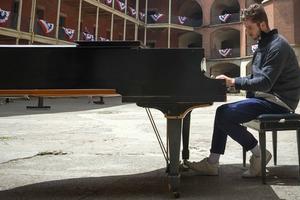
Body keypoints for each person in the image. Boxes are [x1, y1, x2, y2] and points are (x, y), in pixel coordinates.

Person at [186, 3, 300, 177]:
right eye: (245, 28)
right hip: (267, 98)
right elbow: (254, 78)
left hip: (280, 101)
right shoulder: (263, 44)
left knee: (225, 114)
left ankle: (259, 154)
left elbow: (264, 83)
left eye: (250, 28)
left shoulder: (278, 46)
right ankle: (213, 162)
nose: (247, 33)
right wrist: (231, 81)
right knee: (222, 111)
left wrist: (233, 81)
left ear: (262, 24)